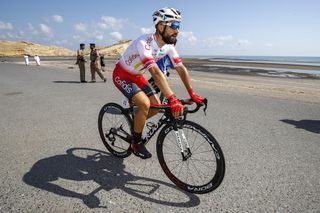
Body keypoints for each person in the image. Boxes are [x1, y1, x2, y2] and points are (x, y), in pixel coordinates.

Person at [112, 7, 205, 159]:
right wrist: (173, 98)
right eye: (174, 26)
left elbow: (180, 68)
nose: (178, 30)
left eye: (179, 26)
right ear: (161, 26)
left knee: (155, 107)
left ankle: (136, 123)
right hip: (122, 74)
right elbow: (155, 73)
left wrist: (192, 93)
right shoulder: (145, 42)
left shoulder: (168, 46)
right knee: (144, 104)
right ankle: (136, 142)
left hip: (136, 76)